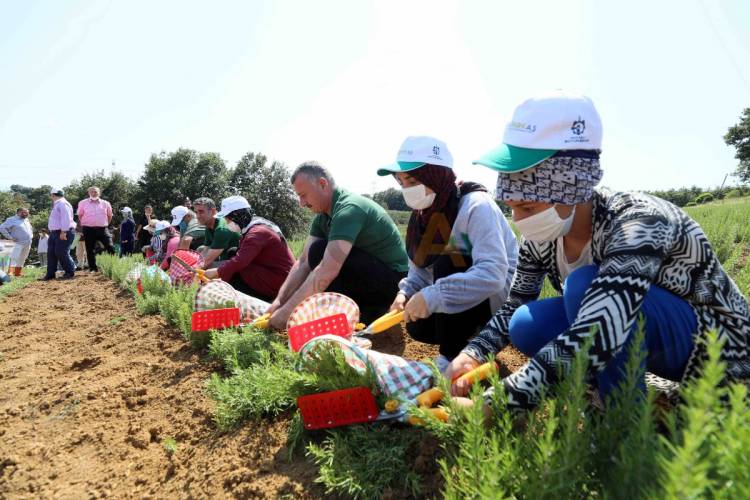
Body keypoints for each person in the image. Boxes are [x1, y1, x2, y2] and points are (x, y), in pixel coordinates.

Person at [446, 90, 750, 415]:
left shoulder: (640, 221)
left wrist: (497, 404)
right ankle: (614, 391)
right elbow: (517, 302)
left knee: (584, 286)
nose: (520, 221)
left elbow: (602, 324)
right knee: (526, 323)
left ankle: (621, 423)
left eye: (527, 206)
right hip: (648, 342)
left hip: (722, 353)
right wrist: (474, 352)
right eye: (512, 208)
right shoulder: (542, 237)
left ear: (571, 188)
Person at [377, 136, 518, 372]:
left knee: (450, 261)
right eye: (401, 182)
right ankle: (466, 341)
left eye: (412, 180)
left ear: (435, 174)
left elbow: (493, 273)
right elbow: (419, 271)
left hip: (498, 302)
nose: (407, 190)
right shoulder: (422, 215)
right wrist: (406, 293)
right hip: (466, 299)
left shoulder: (475, 205)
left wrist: (433, 295)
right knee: (417, 325)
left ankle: (451, 356)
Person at [267, 162, 409, 328]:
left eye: (304, 195)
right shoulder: (322, 216)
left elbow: (327, 270)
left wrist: (286, 314)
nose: (301, 203)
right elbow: (303, 262)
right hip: (369, 274)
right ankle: (353, 311)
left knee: (320, 252)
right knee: (315, 252)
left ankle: (367, 312)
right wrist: (278, 303)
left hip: (394, 282)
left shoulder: (349, 208)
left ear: (322, 184)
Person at [203, 196, 295, 302]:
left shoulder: (257, 232)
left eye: (227, 218)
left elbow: (240, 261)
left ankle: (247, 301)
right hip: (277, 274)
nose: (225, 221)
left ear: (238, 215)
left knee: (235, 271)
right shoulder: (257, 224)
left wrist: (217, 271)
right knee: (233, 253)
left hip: (279, 280)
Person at [193, 197, 240, 268]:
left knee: (207, 266)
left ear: (213, 211)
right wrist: (193, 263)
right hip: (224, 257)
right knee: (200, 249)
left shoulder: (221, 229)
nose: (197, 216)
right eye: (196, 212)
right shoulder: (209, 225)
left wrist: (190, 270)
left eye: (201, 212)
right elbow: (205, 250)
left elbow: (206, 261)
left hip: (236, 262)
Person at [77, 186, 115, 272]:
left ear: (99, 193)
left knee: (110, 246)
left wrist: (105, 224)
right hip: (88, 229)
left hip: (103, 229)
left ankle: (114, 265)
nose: (94, 193)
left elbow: (109, 216)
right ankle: (93, 269)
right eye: (92, 192)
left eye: (96, 192)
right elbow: (80, 215)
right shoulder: (82, 203)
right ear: (89, 193)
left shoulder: (106, 203)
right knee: (90, 249)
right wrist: (86, 224)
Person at [42, 188, 76, 280]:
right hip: (54, 232)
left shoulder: (62, 203)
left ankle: (70, 272)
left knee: (61, 252)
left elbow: (66, 218)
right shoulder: (58, 204)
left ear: (52, 195)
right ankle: (50, 274)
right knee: (51, 253)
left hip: (63, 231)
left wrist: (64, 231)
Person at [0, 207, 33, 276]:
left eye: (27, 213)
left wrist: (31, 236)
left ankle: (18, 273)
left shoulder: (26, 219)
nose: (27, 214)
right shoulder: (11, 219)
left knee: (23, 258)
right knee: (14, 258)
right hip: (17, 243)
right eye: (25, 212)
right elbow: (2, 228)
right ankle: (10, 273)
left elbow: (30, 228)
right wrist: (10, 237)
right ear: (19, 212)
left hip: (28, 243)